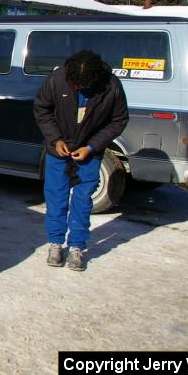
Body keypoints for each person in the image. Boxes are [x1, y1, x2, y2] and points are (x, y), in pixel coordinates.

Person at [32, 49, 129, 271]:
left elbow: (119, 120)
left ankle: (77, 247)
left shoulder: (111, 87)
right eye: (74, 84)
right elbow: (42, 109)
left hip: (89, 151)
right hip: (58, 150)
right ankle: (55, 243)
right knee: (56, 197)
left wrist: (92, 146)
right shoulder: (57, 80)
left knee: (83, 199)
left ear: (94, 80)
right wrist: (55, 139)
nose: (76, 88)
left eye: (81, 86)